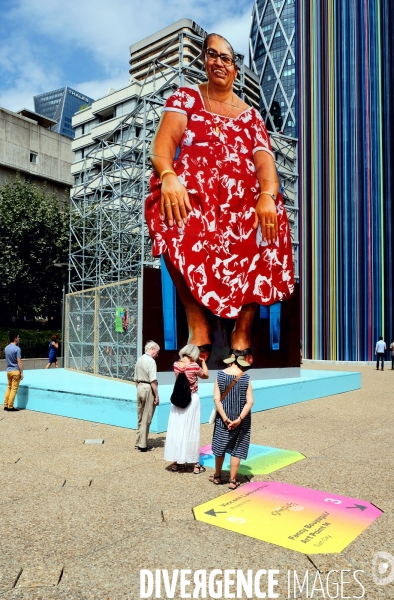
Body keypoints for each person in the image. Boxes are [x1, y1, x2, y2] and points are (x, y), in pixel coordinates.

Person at [146, 33, 294, 365]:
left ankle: (243, 329)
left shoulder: (251, 116)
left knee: (272, 221)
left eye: (226, 58)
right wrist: (169, 175)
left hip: (242, 203)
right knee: (167, 205)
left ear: (236, 70)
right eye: (212, 55)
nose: (219, 62)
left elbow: (266, 167)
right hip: (199, 196)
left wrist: (267, 195)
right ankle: (198, 325)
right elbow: (163, 145)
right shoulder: (186, 98)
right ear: (203, 60)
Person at [209, 351, 254, 489]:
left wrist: (225, 418)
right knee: (237, 448)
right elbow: (250, 402)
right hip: (241, 418)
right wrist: (239, 419)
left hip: (224, 418)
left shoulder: (220, 375)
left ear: (230, 360)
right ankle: (233, 481)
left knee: (220, 445)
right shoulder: (245, 378)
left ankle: (217, 476)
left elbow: (216, 399)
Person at [164, 344, 209, 473]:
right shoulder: (194, 366)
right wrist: (203, 362)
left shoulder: (176, 364)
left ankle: (176, 463)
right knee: (192, 429)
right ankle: (195, 465)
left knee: (177, 429)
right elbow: (205, 375)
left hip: (178, 400)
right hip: (191, 399)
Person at [134, 340, 160, 452]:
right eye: (157, 352)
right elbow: (153, 380)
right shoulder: (151, 361)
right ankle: (143, 445)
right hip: (148, 388)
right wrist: (157, 395)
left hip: (140, 387)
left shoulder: (139, 360)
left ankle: (138, 441)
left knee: (140, 416)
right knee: (147, 417)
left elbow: (135, 379)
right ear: (152, 349)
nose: (157, 355)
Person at [3, 331, 23, 412]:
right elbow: (19, 362)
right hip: (15, 371)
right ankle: (10, 406)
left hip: (8, 371)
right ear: (15, 338)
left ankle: (5, 404)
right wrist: (21, 372)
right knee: (14, 389)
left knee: (9, 387)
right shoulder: (17, 349)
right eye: (18, 337)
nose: (19, 338)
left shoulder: (6, 348)